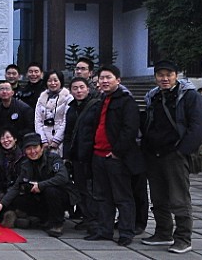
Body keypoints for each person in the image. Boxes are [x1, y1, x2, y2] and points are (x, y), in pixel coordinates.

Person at [140, 60, 202, 254]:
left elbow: (198, 125)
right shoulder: (153, 96)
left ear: (176, 75)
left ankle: (183, 238)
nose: (165, 78)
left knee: (179, 198)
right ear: (155, 77)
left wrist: (182, 150)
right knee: (158, 197)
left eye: (168, 74)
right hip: (155, 154)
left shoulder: (189, 96)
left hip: (175, 154)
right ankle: (163, 233)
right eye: (160, 75)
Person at [84, 65, 143, 247]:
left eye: (108, 77)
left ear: (118, 80)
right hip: (98, 155)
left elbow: (130, 129)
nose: (104, 81)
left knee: (123, 197)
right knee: (102, 196)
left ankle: (126, 232)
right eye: (101, 78)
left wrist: (117, 152)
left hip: (116, 157)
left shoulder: (126, 101)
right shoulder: (101, 100)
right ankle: (104, 230)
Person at [0, 132, 75, 238]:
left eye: (35, 147)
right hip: (40, 196)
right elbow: (16, 186)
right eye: (28, 149)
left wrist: (40, 185)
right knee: (18, 198)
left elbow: (62, 178)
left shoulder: (53, 158)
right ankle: (40, 218)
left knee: (51, 190)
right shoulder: (25, 164)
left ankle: (56, 224)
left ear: (41, 147)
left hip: (61, 195)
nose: (32, 152)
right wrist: (2, 204)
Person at [63, 76, 101, 234]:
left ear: (88, 89)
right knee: (81, 188)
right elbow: (68, 134)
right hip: (76, 155)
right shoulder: (71, 108)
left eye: (81, 87)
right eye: (75, 88)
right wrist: (67, 155)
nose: (79, 91)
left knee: (92, 190)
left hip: (91, 154)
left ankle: (96, 222)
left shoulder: (95, 106)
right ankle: (87, 218)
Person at [34, 70, 73, 155]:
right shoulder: (41, 99)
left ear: (61, 81)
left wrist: (56, 140)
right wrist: (43, 140)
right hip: (44, 142)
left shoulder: (68, 98)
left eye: (55, 80)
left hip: (61, 142)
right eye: (49, 81)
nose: (53, 83)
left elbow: (66, 121)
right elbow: (38, 121)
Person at [0, 128, 25, 200]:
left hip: (22, 193)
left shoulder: (24, 155)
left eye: (8, 137)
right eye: (2, 138)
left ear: (15, 138)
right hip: (4, 194)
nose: (6, 140)